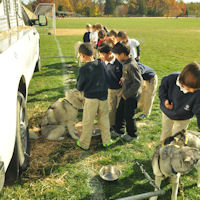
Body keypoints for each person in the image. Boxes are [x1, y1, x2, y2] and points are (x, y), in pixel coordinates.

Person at [76, 43, 113, 150]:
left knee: (88, 121)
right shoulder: (101, 64)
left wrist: (79, 86)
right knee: (104, 119)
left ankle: (84, 143)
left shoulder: (83, 69)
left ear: (82, 55)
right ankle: (107, 141)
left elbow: (79, 86)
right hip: (103, 97)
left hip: (91, 99)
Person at [159, 61, 200, 142]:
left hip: (183, 119)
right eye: (189, 88)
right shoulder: (170, 79)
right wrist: (164, 100)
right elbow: (162, 90)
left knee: (177, 138)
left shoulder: (197, 93)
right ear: (181, 81)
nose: (192, 91)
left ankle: (174, 152)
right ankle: (161, 149)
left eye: (195, 89)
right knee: (165, 134)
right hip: (167, 113)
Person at [112, 42, 143, 141]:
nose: (116, 57)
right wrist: (124, 78)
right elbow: (129, 76)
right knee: (120, 112)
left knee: (129, 115)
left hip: (132, 95)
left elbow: (138, 82)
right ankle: (119, 130)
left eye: (116, 55)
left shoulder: (131, 65)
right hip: (126, 93)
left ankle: (132, 134)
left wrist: (128, 94)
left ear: (122, 54)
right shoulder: (126, 63)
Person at [98, 42, 123, 137]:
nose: (100, 56)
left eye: (102, 54)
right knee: (111, 109)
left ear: (109, 53)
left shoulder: (119, 62)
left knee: (119, 109)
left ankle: (120, 126)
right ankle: (111, 126)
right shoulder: (103, 63)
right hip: (110, 90)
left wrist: (124, 77)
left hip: (121, 90)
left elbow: (126, 72)